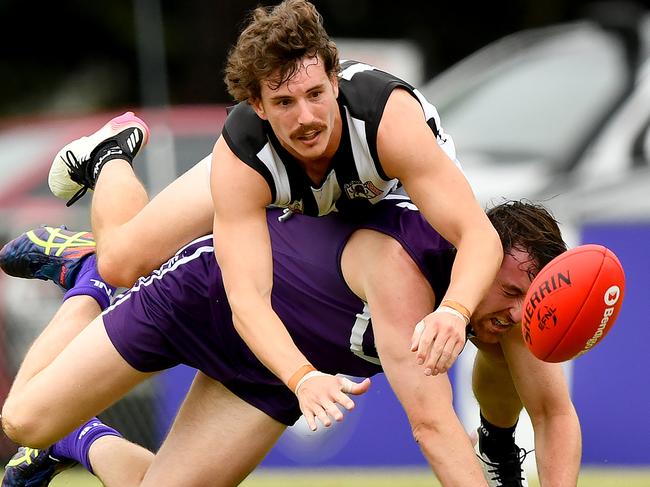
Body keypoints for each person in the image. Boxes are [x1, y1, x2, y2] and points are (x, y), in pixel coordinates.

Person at [45, 0, 503, 414]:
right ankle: (108, 157)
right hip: (281, 173)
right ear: (258, 105)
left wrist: (455, 309)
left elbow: (479, 235)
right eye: (283, 101)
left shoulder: (387, 120)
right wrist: (301, 378)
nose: (305, 115)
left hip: (339, 202)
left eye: (315, 95)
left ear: (333, 79)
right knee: (120, 263)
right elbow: (248, 299)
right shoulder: (247, 145)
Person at [0, 198, 580, 487]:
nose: (510, 314)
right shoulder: (405, 265)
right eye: (505, 292)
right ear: (475, 255)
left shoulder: (510, 302)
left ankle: (79, 439)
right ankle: (91, 276)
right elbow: (432, 425)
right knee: (22, 421)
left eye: (520, 303)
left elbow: (554, 413)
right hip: (208, 299)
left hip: (273, 371)